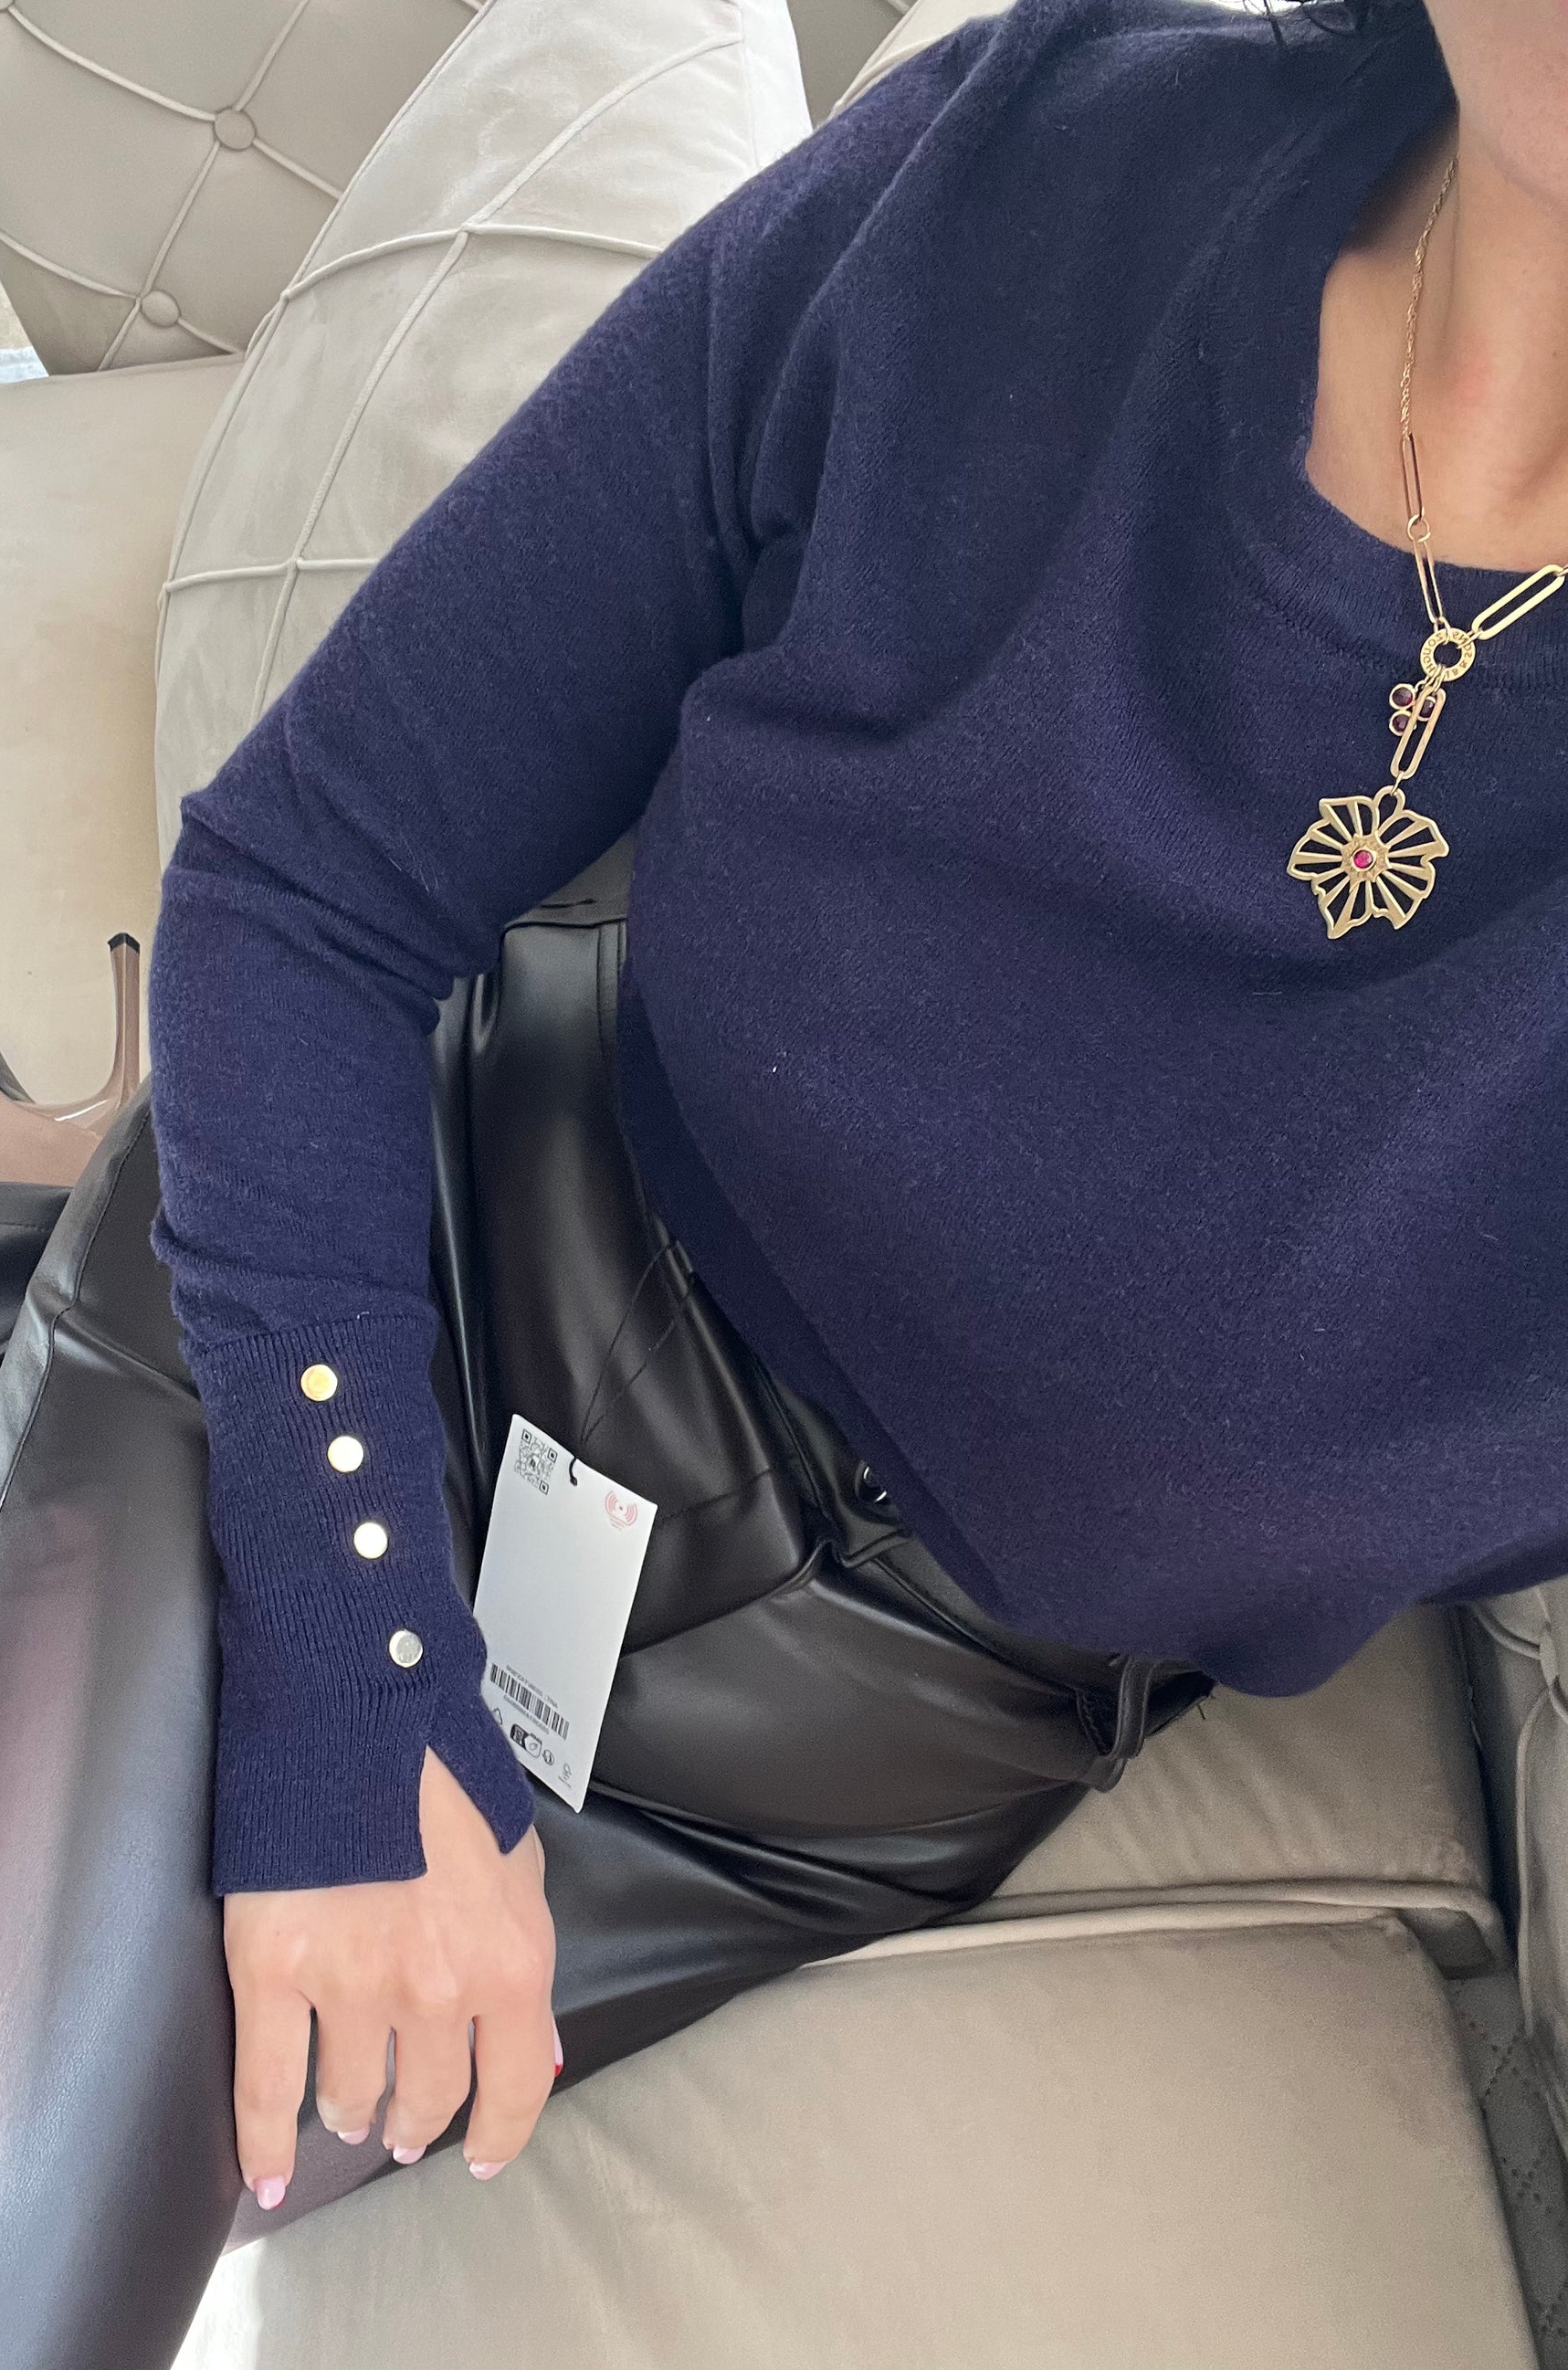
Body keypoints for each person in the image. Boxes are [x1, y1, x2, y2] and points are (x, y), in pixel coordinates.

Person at [142, 0, 1568, 2225]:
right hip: (390, 1290)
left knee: (56, 2174)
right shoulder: (1026, 172)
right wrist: (359, 1662)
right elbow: (302, 881)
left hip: (853, 1743)